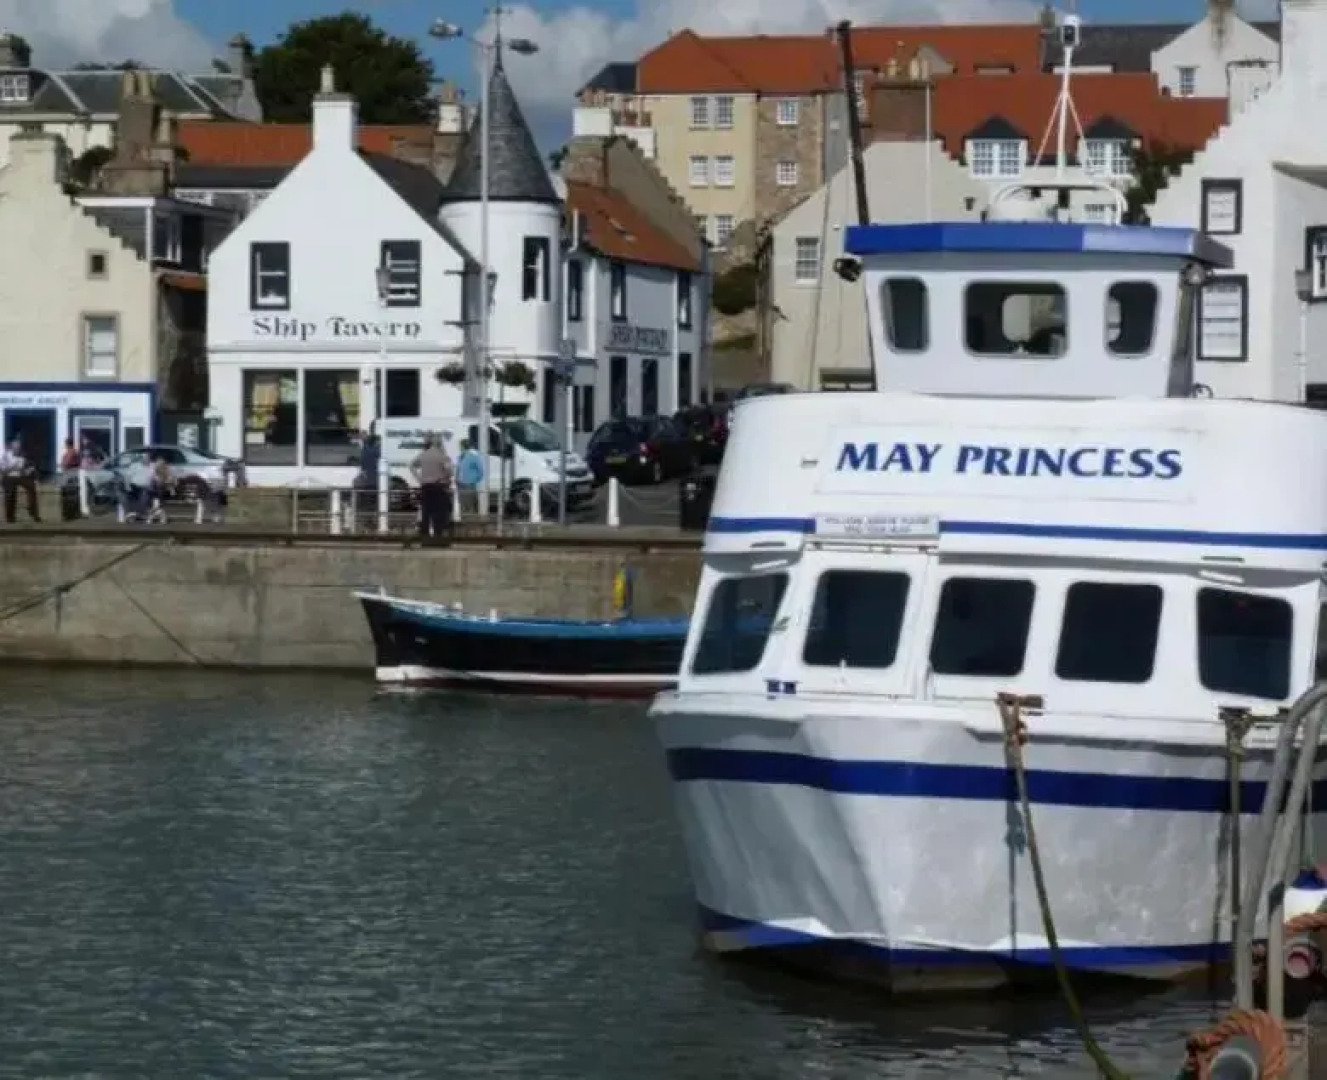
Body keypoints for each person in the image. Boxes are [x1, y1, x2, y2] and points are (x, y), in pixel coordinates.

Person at [410, 433, 453, 539]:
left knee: (426, 513)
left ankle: (425, 536)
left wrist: (419, 478)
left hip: (425, 487)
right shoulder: (442, 456)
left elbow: (411, 465)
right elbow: (449, 471)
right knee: (439, 513)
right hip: (438, 486)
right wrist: (445, 478)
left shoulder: (423, 454)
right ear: (440, 444)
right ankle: (438, 536)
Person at [0, 439, 41, 523]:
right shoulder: (5, 456)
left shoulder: (23, 456)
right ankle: (10, 516)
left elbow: (28, 467)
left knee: (31, 486)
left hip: (21, 476)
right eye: (16, 447)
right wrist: (14, 465)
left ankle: (33, 512)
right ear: (12, 447)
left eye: (19, 447)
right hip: (9, 476)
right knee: (10, 493)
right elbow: (3, 469)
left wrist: (29, 470)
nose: (18, 449)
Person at [455, 438, 484, 519]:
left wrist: (473, 480)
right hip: (460, 484)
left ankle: (471, 523)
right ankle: (463, 522)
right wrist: (456, 479)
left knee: (470, 505)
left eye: (460, 446)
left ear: (464, 446)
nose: (460, 448)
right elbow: (458, 468)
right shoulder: (460, 457)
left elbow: (481, 471)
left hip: (469, 484)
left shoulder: (474, 457)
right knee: (462, 505)